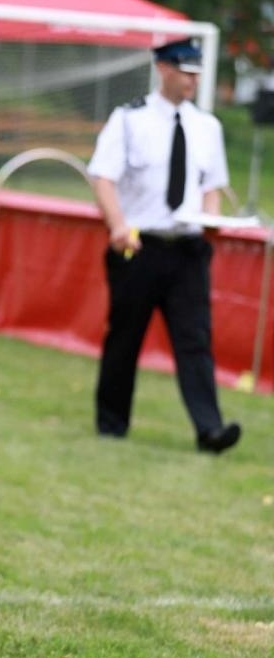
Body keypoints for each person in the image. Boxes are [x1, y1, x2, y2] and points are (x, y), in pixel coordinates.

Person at [88, 37, 242, 454]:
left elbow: (211, 187)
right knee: (125, 337)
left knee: (195, 339)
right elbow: (103, 177)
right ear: (163, 68)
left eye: (197, 73)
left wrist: (212, 219)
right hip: (139, 247)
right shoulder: (129, 119)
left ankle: (210, 430)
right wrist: (117, 225)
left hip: (188, 249)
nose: (192, 80)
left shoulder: (207, 127)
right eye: (185, 72)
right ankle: (111, 423)